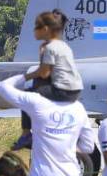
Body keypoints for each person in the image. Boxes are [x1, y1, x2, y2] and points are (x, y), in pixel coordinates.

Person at [14, 10, 84, 150]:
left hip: (63, 90)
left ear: (45, 29)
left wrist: (24, 77)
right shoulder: (63, 46)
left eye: (36, 27)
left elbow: (44, 73)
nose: (34, 31)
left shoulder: (50, 48)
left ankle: (26, 133)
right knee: (38, 88)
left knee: (27, 96)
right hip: (75, 89)